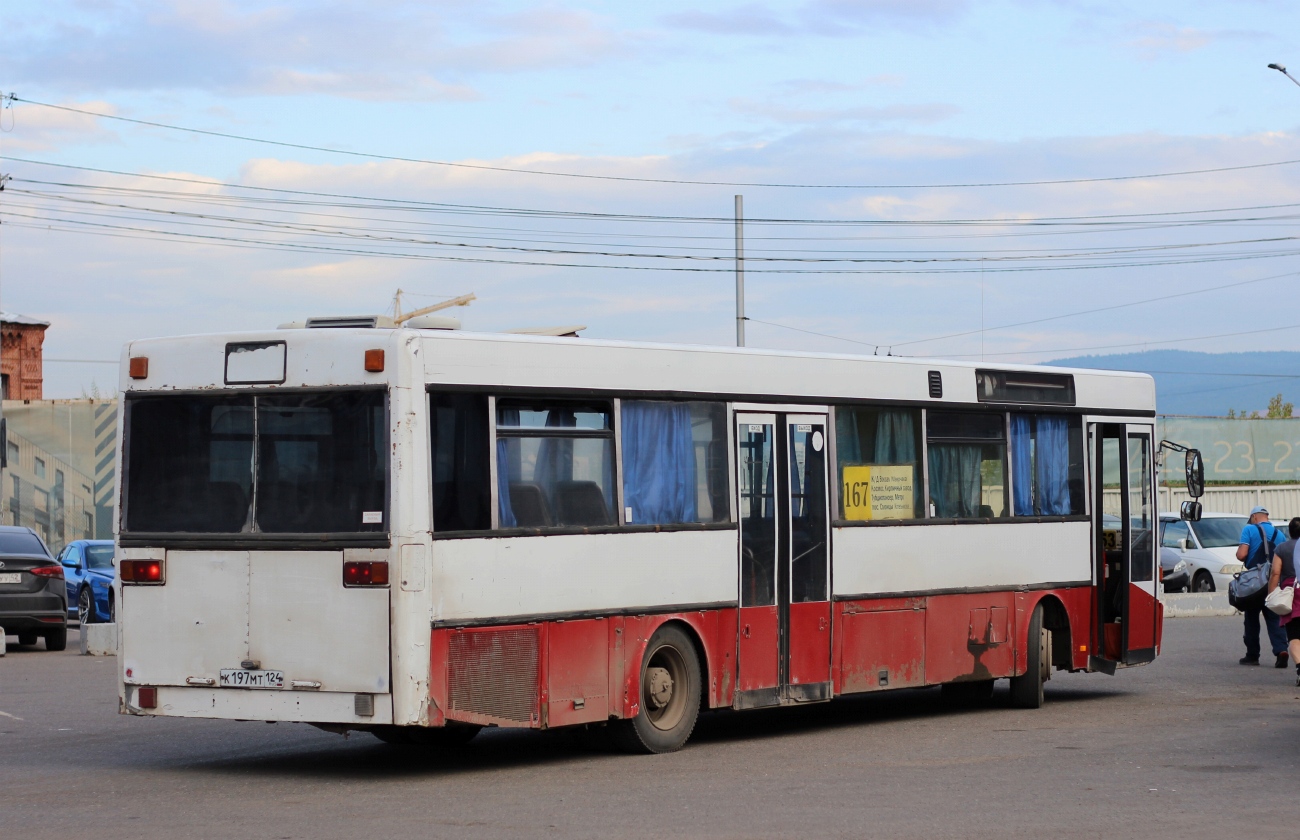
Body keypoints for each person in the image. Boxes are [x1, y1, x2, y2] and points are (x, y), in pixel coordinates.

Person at [1238, 506, 1289, 667]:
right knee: (1274, 618)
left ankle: (1252, 655)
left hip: (1254, 583)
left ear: (1254, 517)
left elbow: (1242, 554)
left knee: (1251, 619)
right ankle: (1281, 650)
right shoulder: (1279, 534)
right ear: (1267, 517)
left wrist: (1239, 553)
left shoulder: (1249, 530)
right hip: (1272, 581)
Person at [1267, 517, 1300, 683]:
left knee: (1294, 636)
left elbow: (1275, 573)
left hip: (1292, 593)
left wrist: (1271, 593)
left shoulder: (1282, 548)